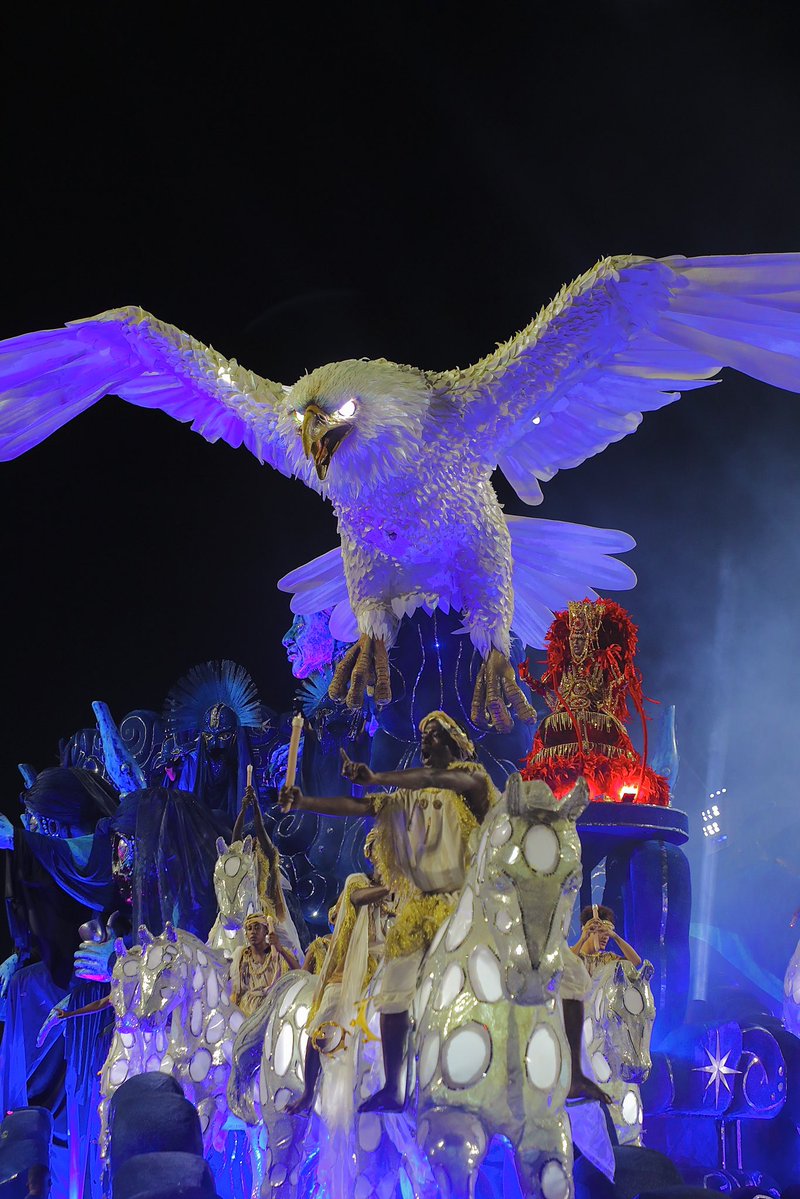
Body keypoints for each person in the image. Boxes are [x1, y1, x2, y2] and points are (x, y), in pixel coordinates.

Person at [281, 709, 495, 1112]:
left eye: (432, 735)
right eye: (422, 736)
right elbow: (364, 807)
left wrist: (377, 777)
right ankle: (394, 1088)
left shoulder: (472, 783)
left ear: (454, 741)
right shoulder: (410, 799)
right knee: (394, 992)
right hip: (421, 911)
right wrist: (306, 801)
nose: (424, 743)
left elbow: (437, 779)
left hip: (466, 906)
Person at [230, 913, 299, 1018]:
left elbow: (300, 972)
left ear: (266, 931)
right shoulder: (241, 957)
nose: (253, 932)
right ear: (246, 934)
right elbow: (236, 991)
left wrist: (280, 949)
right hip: (247, 1012)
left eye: (257, 928)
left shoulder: (277, 954)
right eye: (249, 929)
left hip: (273, 1008)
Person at [571, 904, 642, 976]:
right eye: (601, 931)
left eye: (607, 934)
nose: (606, 937)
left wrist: (615, 936)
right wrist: (582, 939)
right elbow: (565, 962)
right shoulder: (572, 953)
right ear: (588, 929)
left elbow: (635, 962)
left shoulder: (607, 959)